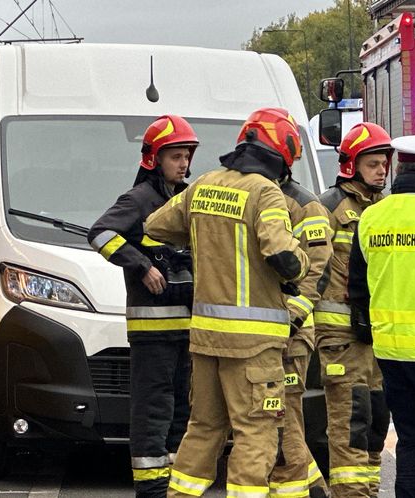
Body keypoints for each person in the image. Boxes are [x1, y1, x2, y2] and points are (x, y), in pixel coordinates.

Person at [145, 107, 310, 497]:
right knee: (256, 433)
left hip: (206, 340)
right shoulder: (265, 191)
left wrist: (200, 241)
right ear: (280, 153)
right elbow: (282, 257)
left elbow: (155, 226)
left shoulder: (203, 184)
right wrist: (300, 265)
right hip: (254, 345)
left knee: (202, 429)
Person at [88, 115, 197, 498]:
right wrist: (142, 265)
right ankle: (151, 493)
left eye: (186, 156)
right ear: (154, 158)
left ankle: (176, 487)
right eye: (175, 156)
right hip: (152, 333)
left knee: (182, 417)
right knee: (153, 415)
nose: (183, 164)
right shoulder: (139, 199)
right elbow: (99, 233)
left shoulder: (186, 198)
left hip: (187, 328)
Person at [348, 135, 415, 498]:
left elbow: (357, 287)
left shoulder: (371, 217)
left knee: (412, 440)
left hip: (389, 352)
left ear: (399, 167)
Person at [315, 122, 393, 497]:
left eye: (384, 163)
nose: (381, 170)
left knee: (377, 423)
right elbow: (308, 267)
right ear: (351, 165)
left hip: (376, 337)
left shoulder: (384, 209)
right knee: (350, 423)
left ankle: (369, 492)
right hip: (340, 337)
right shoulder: (329, 207)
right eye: (373, 163)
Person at [269, 155, 333, 497]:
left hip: (291, 334)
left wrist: (291, 318)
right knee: (280, 421)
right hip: (263, 330)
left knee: (284, 420)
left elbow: (318, 270)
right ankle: (315, 490)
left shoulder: (305, 206)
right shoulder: (258, 194)